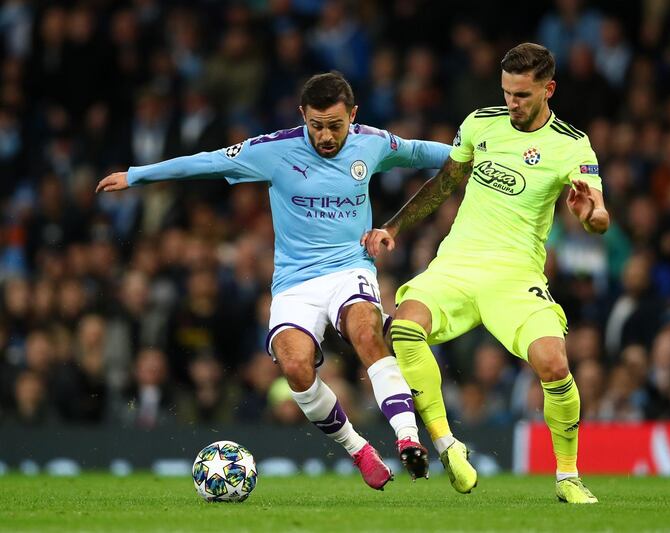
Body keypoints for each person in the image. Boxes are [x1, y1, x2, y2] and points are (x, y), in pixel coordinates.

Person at [97, 72, 450, 490]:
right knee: (296, 367)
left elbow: (428, 153)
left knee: (366, 331)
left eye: (335, 126)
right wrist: (136, 175)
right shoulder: (273, 150)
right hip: (295, 282)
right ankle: (359, 449)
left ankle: (407, 437)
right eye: (316, 125)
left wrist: (486, 153)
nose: (325, 136)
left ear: (352, 116)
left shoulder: (371, 143)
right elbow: (207, 162)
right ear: (303, 115)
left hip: (349, 268)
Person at [362, 43, 609, 502]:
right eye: (507, 92)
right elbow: (445, 184)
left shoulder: (571, 145)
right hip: (456, 263)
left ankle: (568, 476)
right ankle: (447, 445)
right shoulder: (480, 123)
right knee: (404, 328)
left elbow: (599, 217)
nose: (512, 102)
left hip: (515, 276)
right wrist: (392, 226)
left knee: (555, 364)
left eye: (522, 94)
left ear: (547, 90)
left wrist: (588, 211)